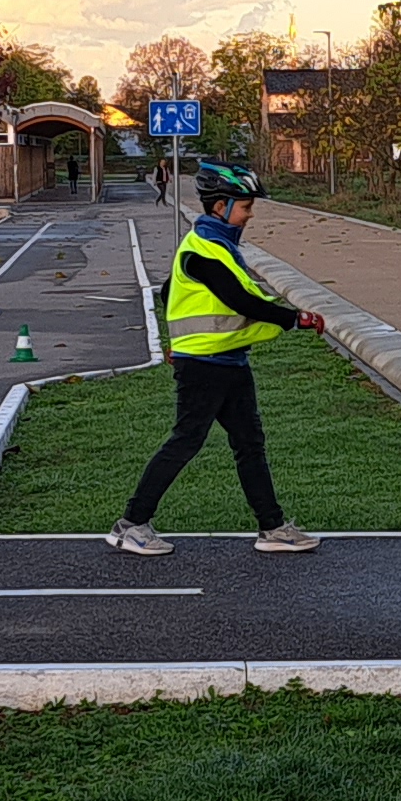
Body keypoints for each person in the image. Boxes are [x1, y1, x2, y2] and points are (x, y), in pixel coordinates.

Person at [108, 157, 329, 556]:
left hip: (229, 362)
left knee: (249, 444)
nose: (249, 216)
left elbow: (167, 292)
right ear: (219, 206)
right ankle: (131, 524)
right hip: (204, 368)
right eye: (245, 207)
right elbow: (239, 299)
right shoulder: (203, 251)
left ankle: (272, 527)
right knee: (186, 441)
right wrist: (295, 318)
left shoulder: (218, 249)